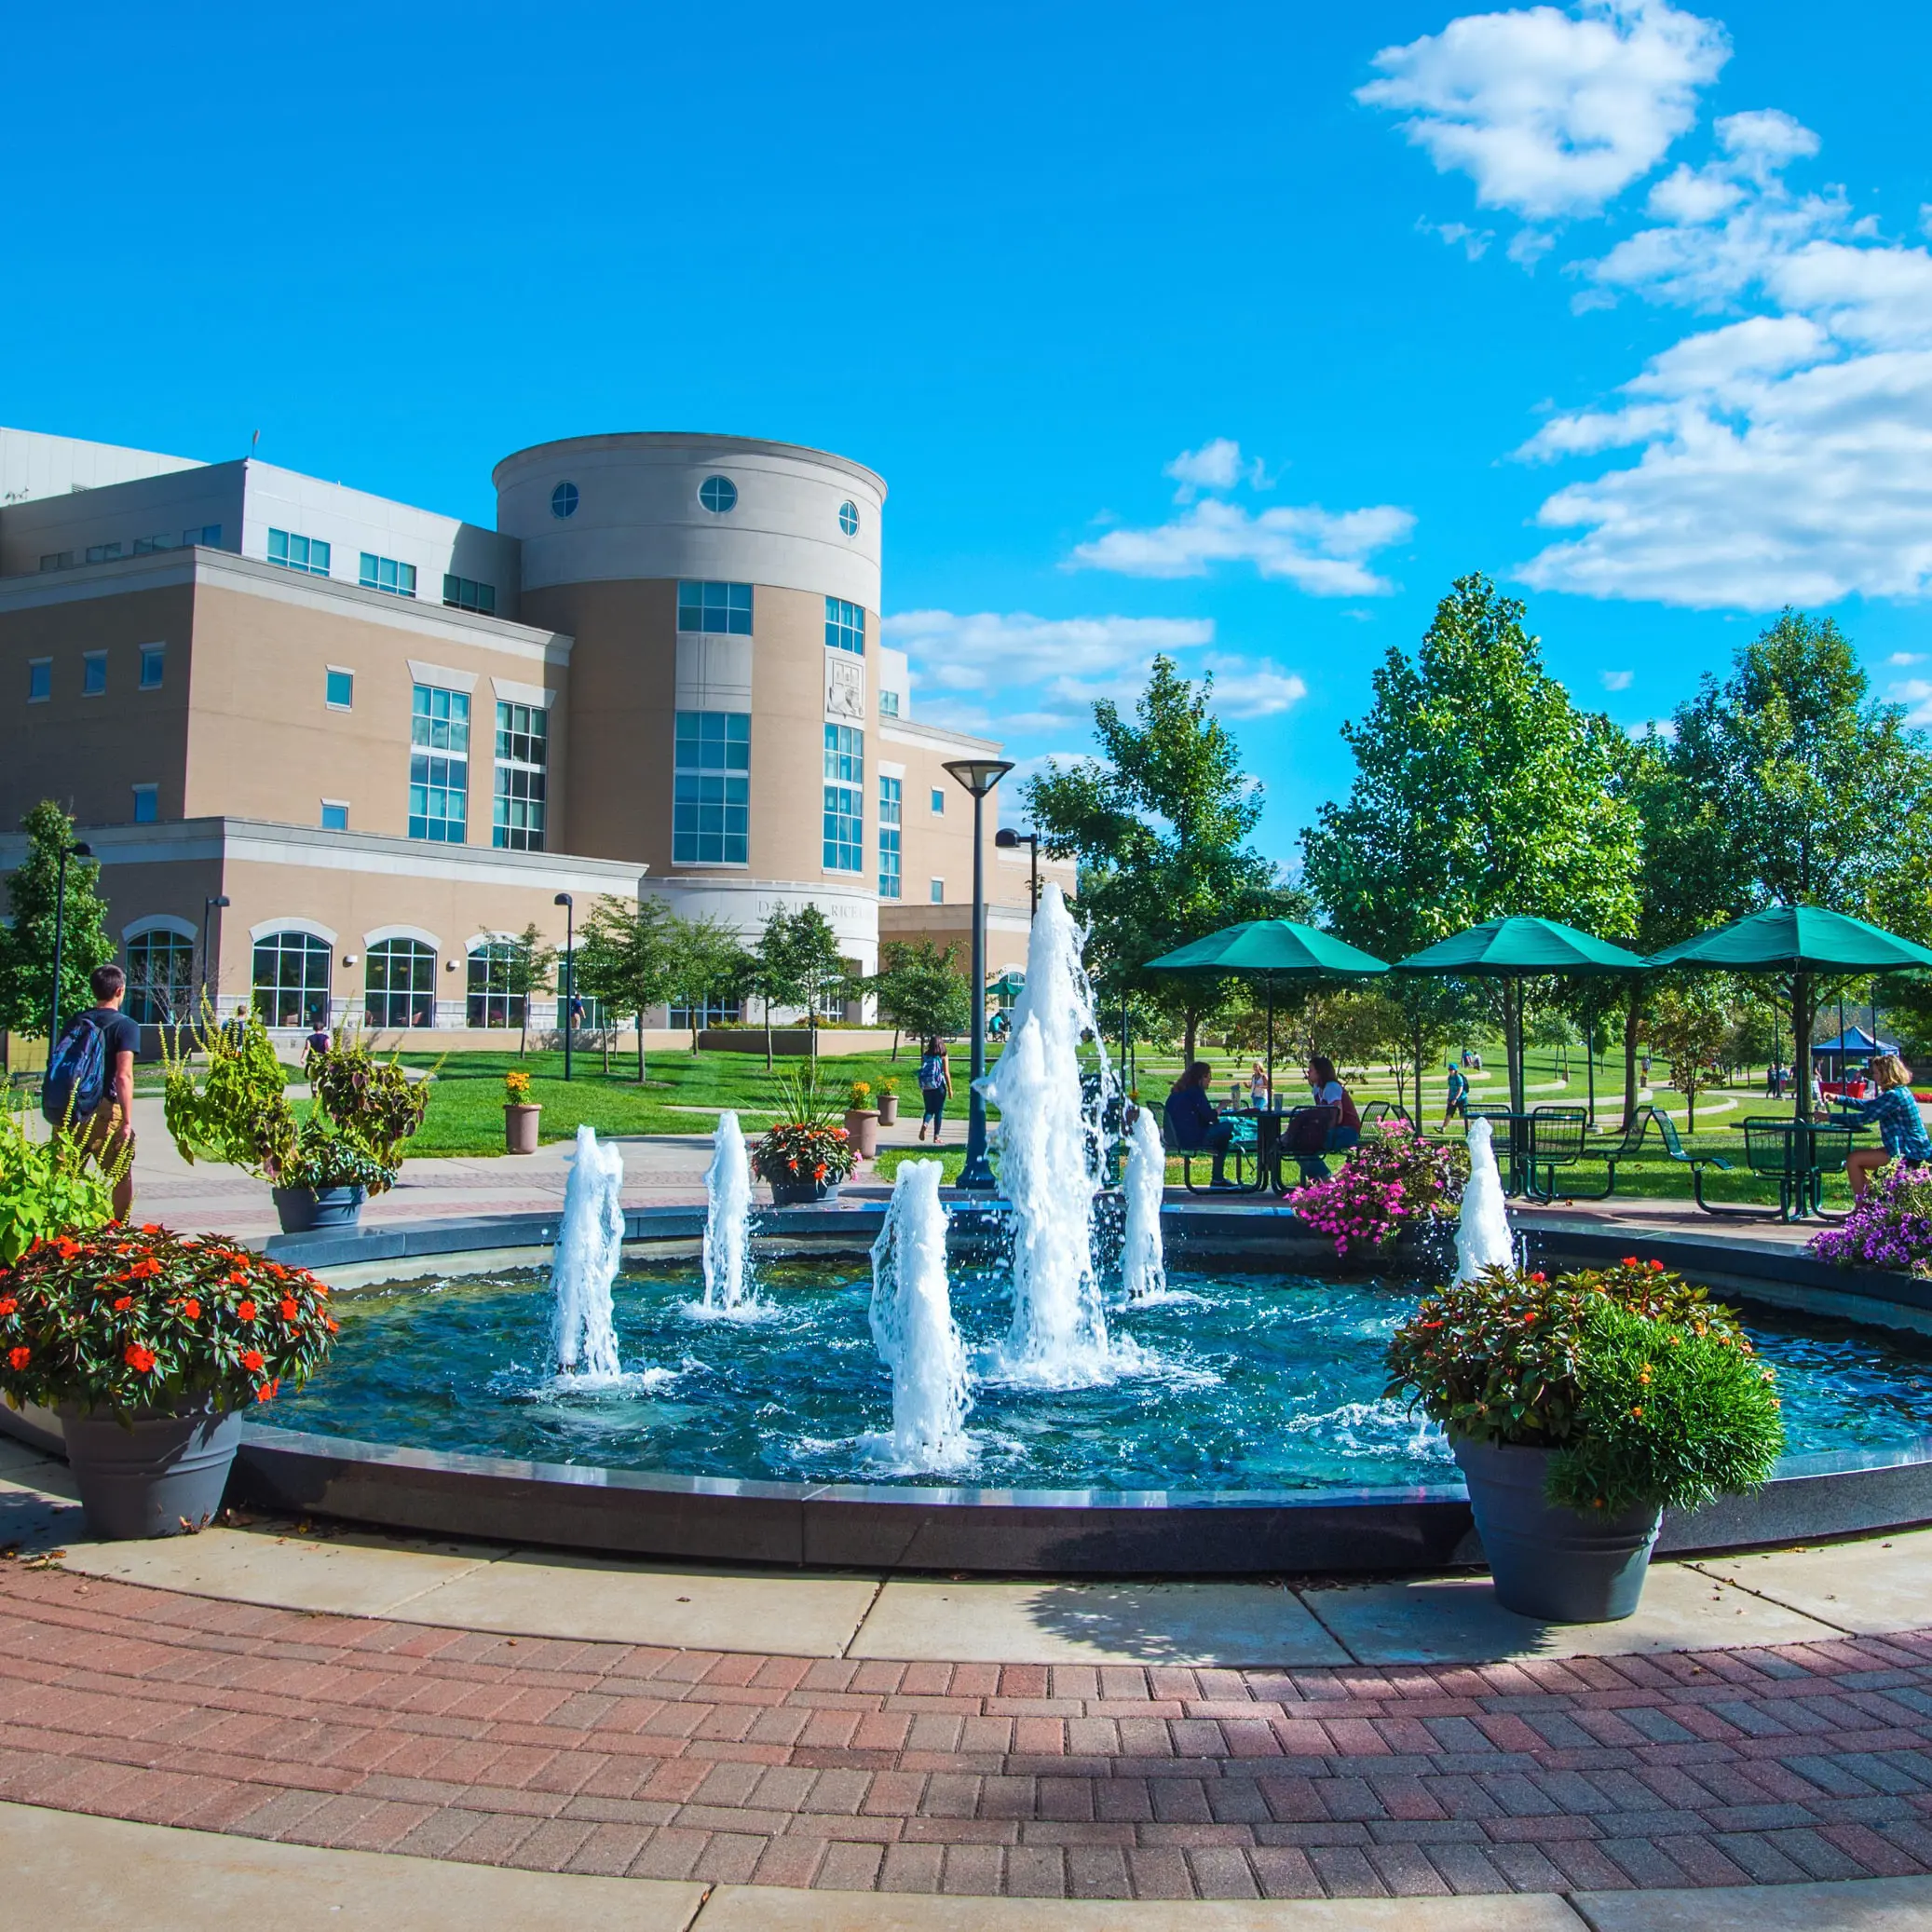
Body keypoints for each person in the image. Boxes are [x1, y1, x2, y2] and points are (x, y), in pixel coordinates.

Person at [60, 962, 139, 1222]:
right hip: (105, 1109)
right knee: (120, 1173)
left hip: (71, 1109)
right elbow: (123, 1075)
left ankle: (66, 1236)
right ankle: (118, 1230)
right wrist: (126, 1121)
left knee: (66, 1177)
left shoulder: (75, 1022)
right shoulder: (125, 1026)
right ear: (120, 990)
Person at [1837, 1054, 1932, 1197]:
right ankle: (1872, 1203)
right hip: (1914, 1148)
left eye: (1876, 1073)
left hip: (1909, 1153)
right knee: (1860, 1157)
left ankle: (1861, 1208)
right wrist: (1839, 1099)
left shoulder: (1894, 1095)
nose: (1874, 1077)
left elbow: (1865, 1117)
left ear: (1886, 1073)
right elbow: (1870, 1106)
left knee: (1854, 1159)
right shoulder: (1900, 1092)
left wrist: (1830, 1117)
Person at [1164, 1060, 1235, 1187]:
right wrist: (1221, 1107)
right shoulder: (1196, 1092)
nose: (1210, 1080)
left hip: (1176, 1137)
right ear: (1201, 1077)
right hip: (1191, 1139)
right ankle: (1217, 1178)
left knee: (1222, 1136)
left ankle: (1218, 1177)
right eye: (1208, 1076)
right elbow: (1210, 1116)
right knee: (1227, 1128)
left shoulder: (1177, 1092)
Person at [1302, 1054, 1362, 1180]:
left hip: (1347, 1131)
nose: (1308, 1073)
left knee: (1303, 1144)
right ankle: (1320, 1178)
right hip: (1335, 1131)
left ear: (1319, 1072)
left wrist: (1321, 1131)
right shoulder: (1317, 1088)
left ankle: (1325, 1178)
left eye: (1311, 1070)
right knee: (1299, 1144)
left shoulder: (1332, 1087)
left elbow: (1337, 1116)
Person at [916, 1036, 952, 1143]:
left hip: (927, 1086)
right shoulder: (943, 1055)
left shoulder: (925, 1055)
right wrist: (950, 1089)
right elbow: (946, 1073)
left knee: (929, 1110)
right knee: (938, 1111)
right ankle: (936, 1137)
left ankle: (925, 1124)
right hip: (939, 1086)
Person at [1442, 1061, 1470, 1129]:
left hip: (1461, 1098)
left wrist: (1455, 1098)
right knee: (1449, 1113)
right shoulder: (1450, 1078)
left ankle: (1469, 1129)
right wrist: (1449, 1098)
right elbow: (1450, 1088)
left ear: (1455, 1070)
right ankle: (1443, 1128)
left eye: (1452, 1069)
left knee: (1463, 1115)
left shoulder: (1458, 1077)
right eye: (1449, 1069)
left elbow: (1460, 1089)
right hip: (1452, 1097)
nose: (1450, 1071)